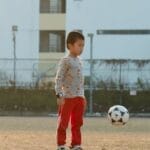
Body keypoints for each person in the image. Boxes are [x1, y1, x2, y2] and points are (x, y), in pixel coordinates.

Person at [55, 31, 86, 150]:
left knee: (77, 123)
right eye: (79, 45)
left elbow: (80, 81)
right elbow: (59, 78)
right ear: (70, 45)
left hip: (79, 97)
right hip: (67, 98)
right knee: (63, 122)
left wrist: (83, 96)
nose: (81, 48)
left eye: (83, 45)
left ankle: (76, 144)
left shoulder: (80, 61)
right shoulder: (65, 61)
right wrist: (59, 94)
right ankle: (61, 144)